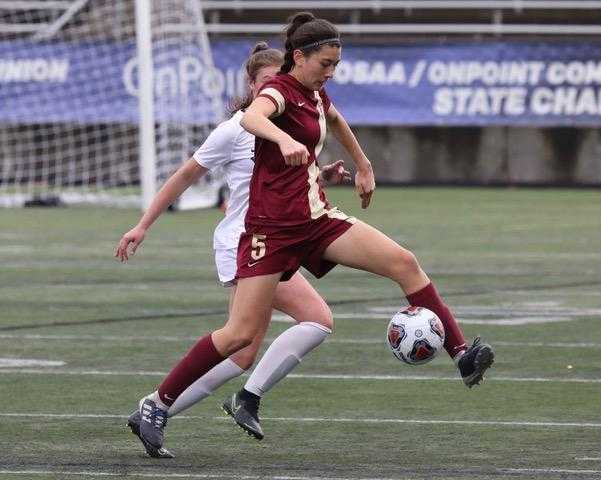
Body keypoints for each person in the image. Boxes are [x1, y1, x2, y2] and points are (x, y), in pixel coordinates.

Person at [133, 11, 495, 455]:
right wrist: (283, 140)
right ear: (298, 57)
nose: (331, 73)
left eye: (335, 65)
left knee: (403, 262)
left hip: (316, 221)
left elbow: (337, 119)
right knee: (239, 337)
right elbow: (253, 119)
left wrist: (363, 165)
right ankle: (158, 404)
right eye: (325, 64)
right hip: (269, 233)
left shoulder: (314, 93)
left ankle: (461, 355)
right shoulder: (278, 92)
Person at [115, 42, 350, 458]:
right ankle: (227, 400)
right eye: (266, 83)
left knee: (241, 352)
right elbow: (185, 174)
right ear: (253, 85)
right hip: (247, 244)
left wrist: (322, 175)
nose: (274, 91)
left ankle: (154, 408)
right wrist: (143, 225)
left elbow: (289, 185)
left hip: (275, 242)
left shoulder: (294, 126)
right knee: (315, 320)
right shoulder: (237, 129)